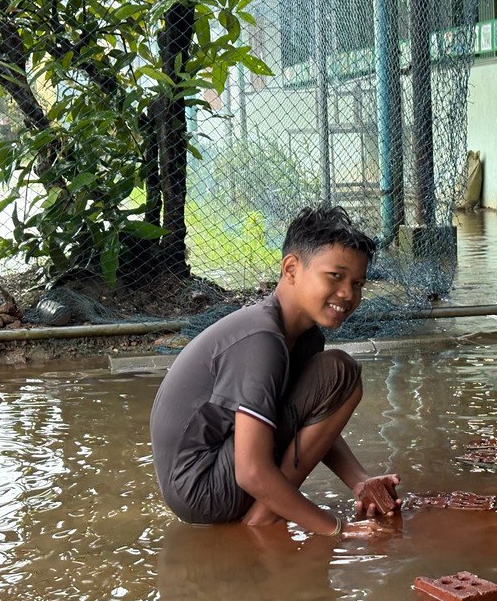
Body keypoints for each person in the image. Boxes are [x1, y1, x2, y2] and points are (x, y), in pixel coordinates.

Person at [150, 203, 400, 537]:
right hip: (201, 489)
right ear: (292, 269)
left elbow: (310, 423)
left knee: (336, 375)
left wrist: (359, 481)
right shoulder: (262, 341)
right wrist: (337, 529)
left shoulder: (306, 336)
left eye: (358, 283)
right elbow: (251, 472)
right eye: (335, 276)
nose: (347, 294)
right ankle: (261, 519)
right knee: (341, 372)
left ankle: (262, 512)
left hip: (212, 475)